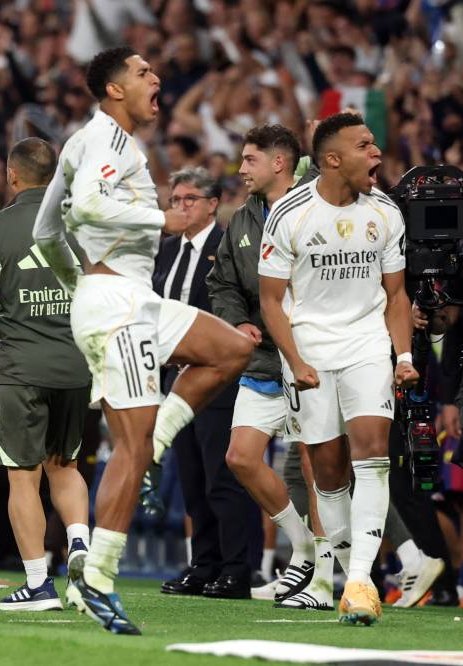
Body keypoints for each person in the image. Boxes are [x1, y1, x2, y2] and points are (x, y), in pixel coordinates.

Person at [32, 46, 253, 635]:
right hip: (119, 308)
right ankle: (97, 580)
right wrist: (164, 220)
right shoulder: (105, 139)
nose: (156, 77)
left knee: (231, 349)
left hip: (134, 301)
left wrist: (76, 280)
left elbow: (44, 228)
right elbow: (89, 205)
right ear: (112, 90)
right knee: (128, 449)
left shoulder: (96, 142)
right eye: (142, 72)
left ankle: (158, 436)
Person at [258, 112, 418, 626]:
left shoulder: (386, 212)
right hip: (308, 350)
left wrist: (404, 356)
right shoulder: (289, 213)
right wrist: (295, 359)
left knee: (372, 453)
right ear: (332, 159)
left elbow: (396, 295)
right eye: (365, 145)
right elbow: (269, 300)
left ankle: (360, 580)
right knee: (327, 473)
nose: (376, 153)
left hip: (368, 345)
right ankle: (355, 573)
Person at [0, 137, 92, 611]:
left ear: (12, 176)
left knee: (23, 477)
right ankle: (78, 543)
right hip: (77, 365)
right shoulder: (80, 222)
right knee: (66, 467)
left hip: (20, 368)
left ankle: (39, 583)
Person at [206, 124, 337, 610]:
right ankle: (303, 550)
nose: (240, 170)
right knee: (240, 456)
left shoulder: (315, 207)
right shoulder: (241, 219)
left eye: (249, 160)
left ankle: (323, 578)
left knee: (313, 460)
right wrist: (237, 320)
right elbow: (220, 283)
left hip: (311, 356)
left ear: (279, 163)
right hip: (262, 359)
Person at [153, 167, 259, 601]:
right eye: (175, 200)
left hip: (218, 377)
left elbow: (242, 298)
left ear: (213, 204)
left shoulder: (227, 245)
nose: (181, 207)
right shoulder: (164, 251)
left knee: (222, 474)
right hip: (173, 376)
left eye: (190, 199)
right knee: (192, 478)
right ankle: (204, 564)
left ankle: (237, 568)